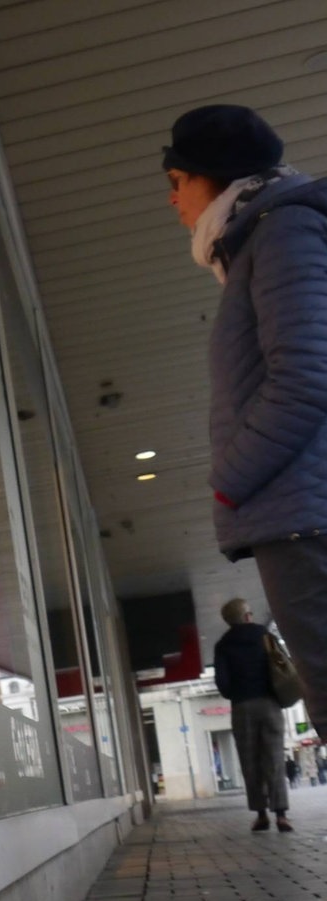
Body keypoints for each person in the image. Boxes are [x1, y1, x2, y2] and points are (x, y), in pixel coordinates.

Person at [164, 106, 327, 756]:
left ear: (212, 178)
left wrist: (231, 481)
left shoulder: (281, 232)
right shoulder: (265, 237)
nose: (172, 199)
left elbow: (307, 375)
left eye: (177, 180)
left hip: (305, 515)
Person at [213, 598, 291, 831]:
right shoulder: (265, 635)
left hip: (242, 706)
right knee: (274, 759)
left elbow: (222, 682)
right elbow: (283, 663)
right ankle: (281, 815)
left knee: (250, 761)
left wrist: (235, 692)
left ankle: (261, 814)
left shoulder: (223, 645)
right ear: (248, 615)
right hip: (269, 703)